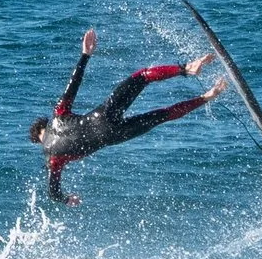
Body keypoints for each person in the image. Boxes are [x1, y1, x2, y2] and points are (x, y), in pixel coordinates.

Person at [31, 28, 223, 203]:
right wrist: (85, 55)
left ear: (39, 141)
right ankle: (187, 68)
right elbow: (73, 85)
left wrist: (66, 199)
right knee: (143, 77)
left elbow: (53, 193)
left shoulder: (53, 160)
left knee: (163, 115)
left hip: (113, 136)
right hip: (103, 115)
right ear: (44, 124)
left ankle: (208, 96)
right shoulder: (57, 115)